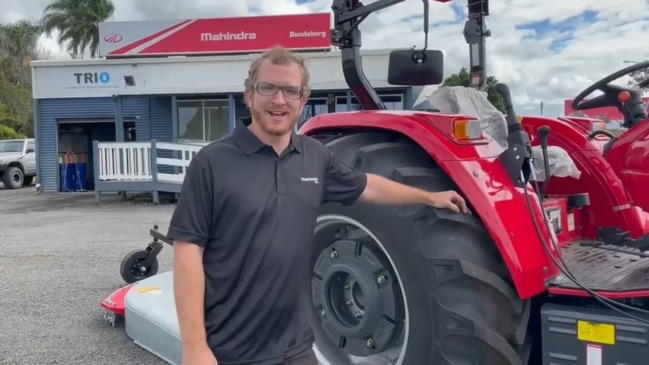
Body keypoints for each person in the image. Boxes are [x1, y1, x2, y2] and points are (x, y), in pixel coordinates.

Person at [167, 46, 469, 365]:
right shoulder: (212, 163)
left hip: (296, 348)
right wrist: (195, 346)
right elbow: (188, 253)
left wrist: (429, 197)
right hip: (230, 350)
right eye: (267, 87)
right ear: (249, 95)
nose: (279, 100)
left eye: (290, 90)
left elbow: (369, 186)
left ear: (302, 100)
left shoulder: (314, 157)